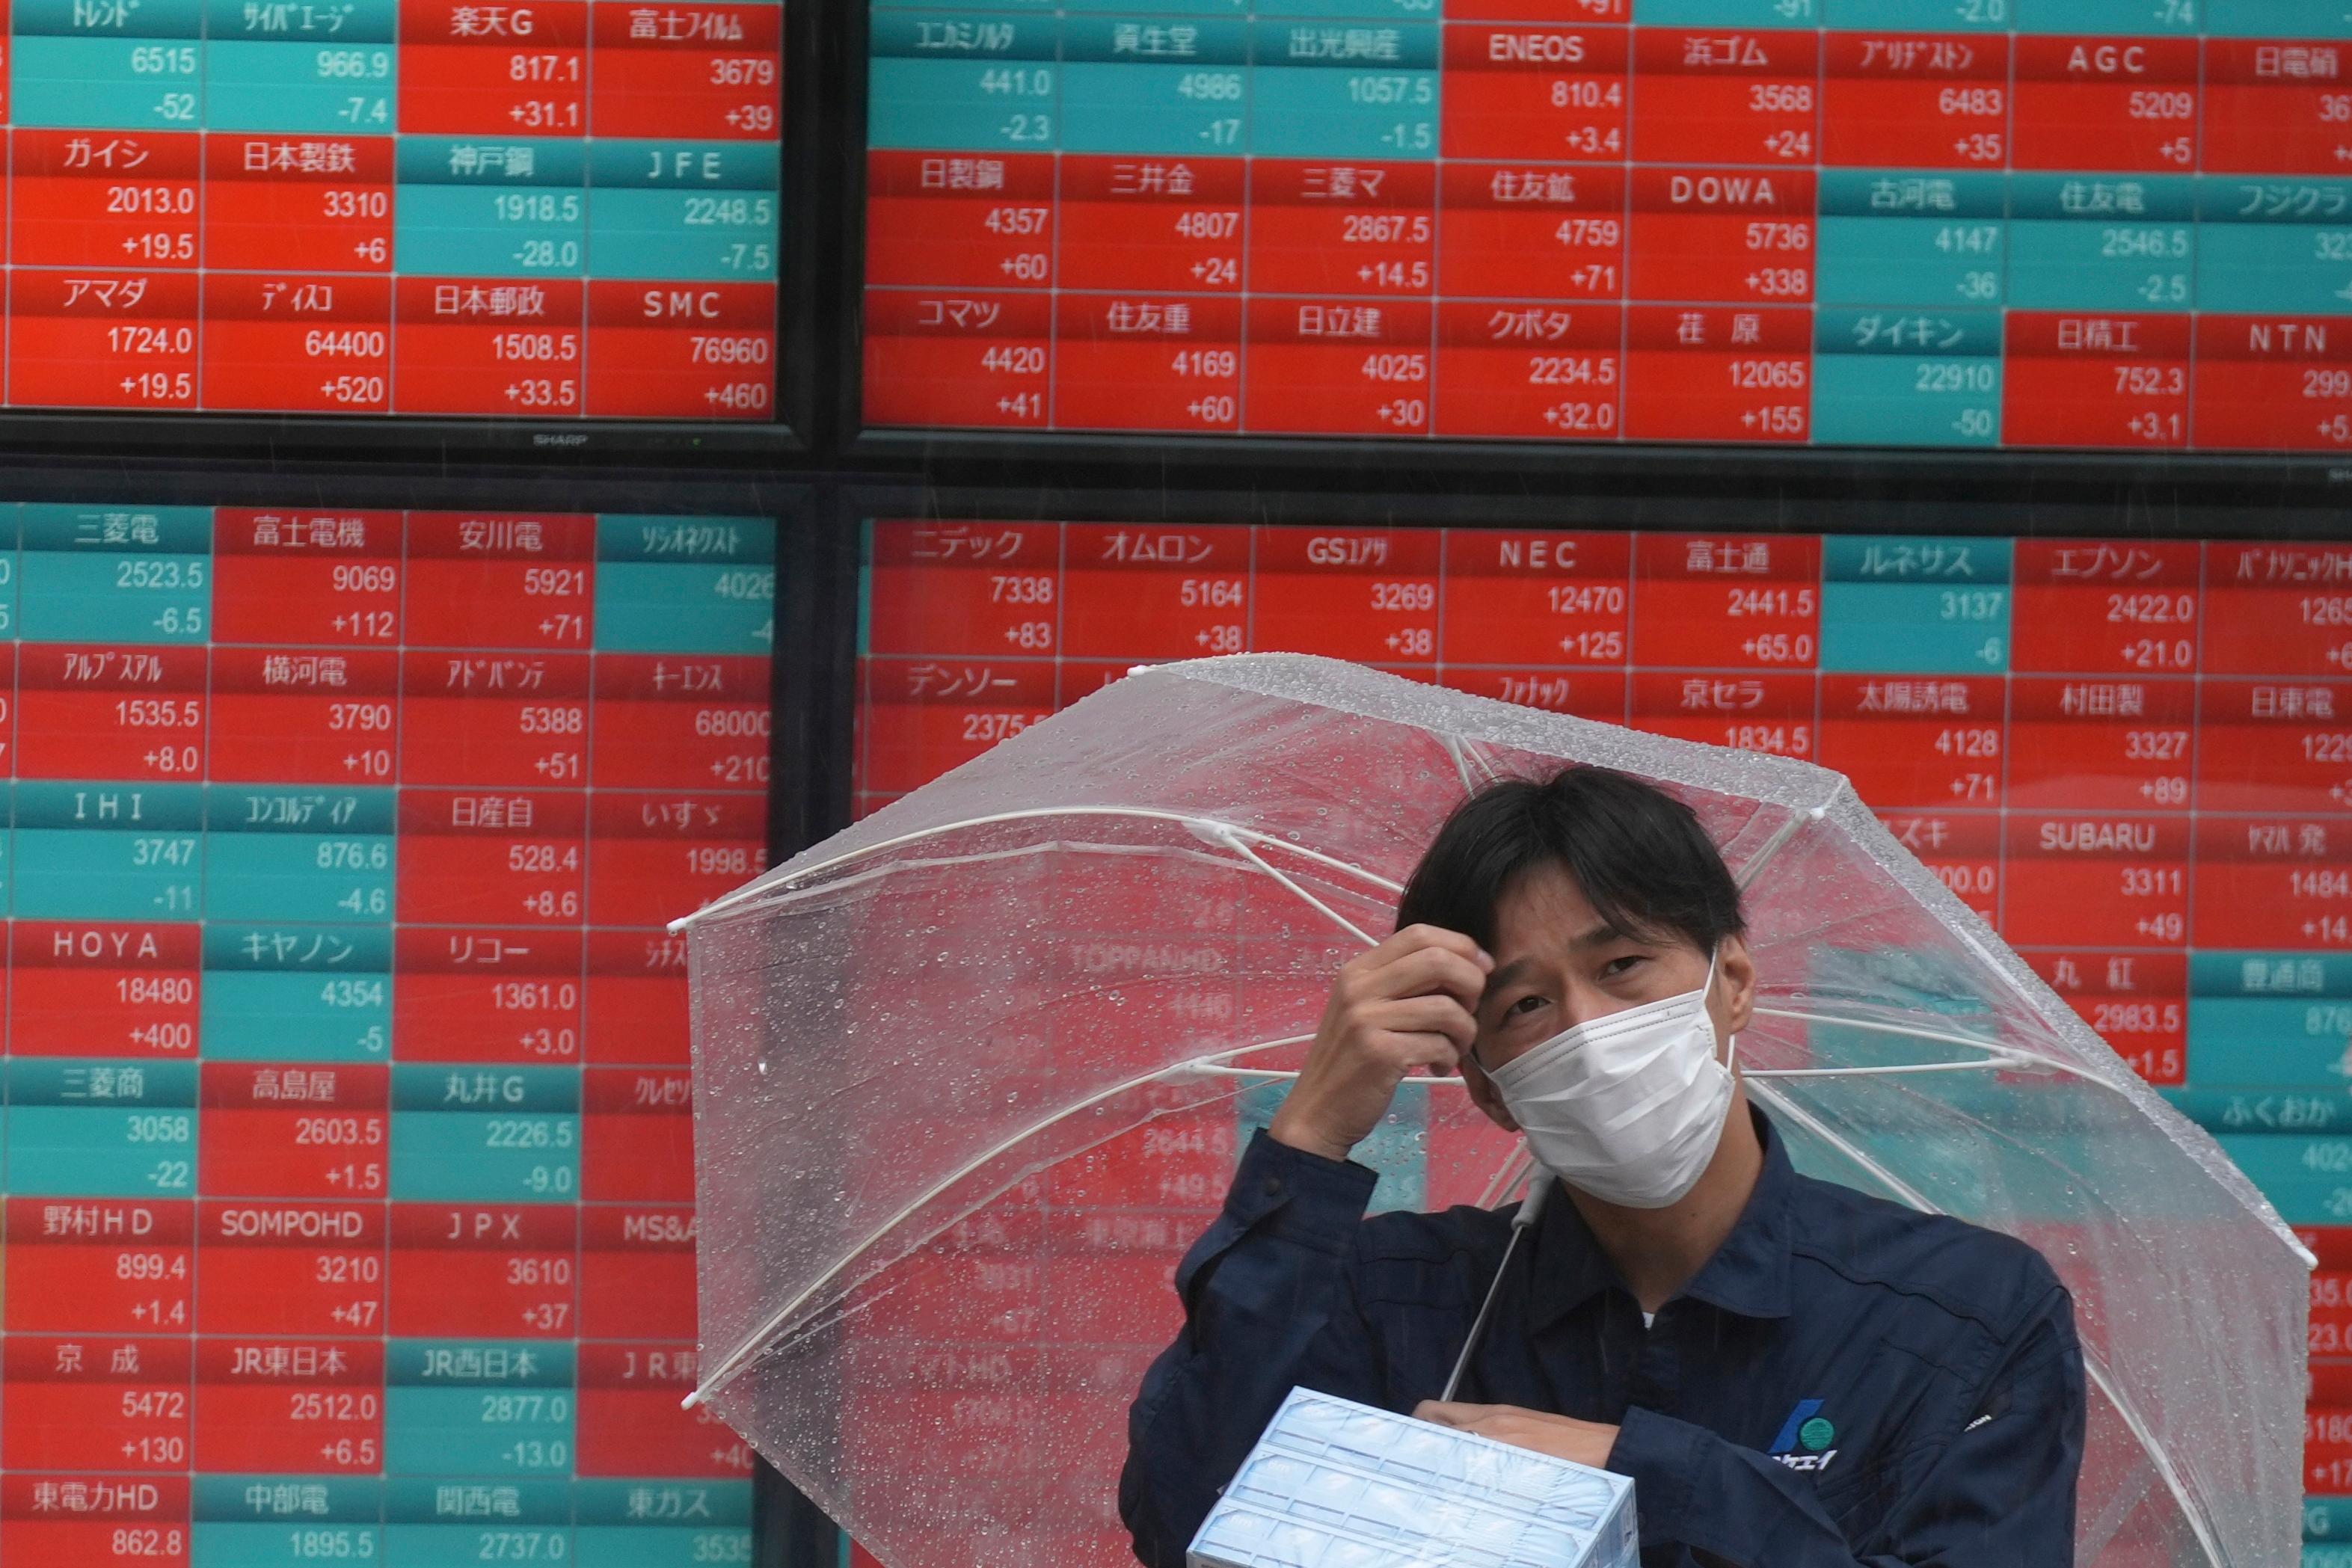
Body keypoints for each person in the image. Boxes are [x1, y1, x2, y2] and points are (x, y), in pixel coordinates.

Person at [1120, 766, 2085, 1567]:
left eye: (1622, 965)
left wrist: (1648, 1474)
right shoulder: (1393, 1300)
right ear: (1489, 1087)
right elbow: (1185, 1520)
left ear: (1731, 983)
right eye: (1524, 1005)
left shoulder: (1960, 1312)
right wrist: (1311, 1134)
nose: (1586, 1028)